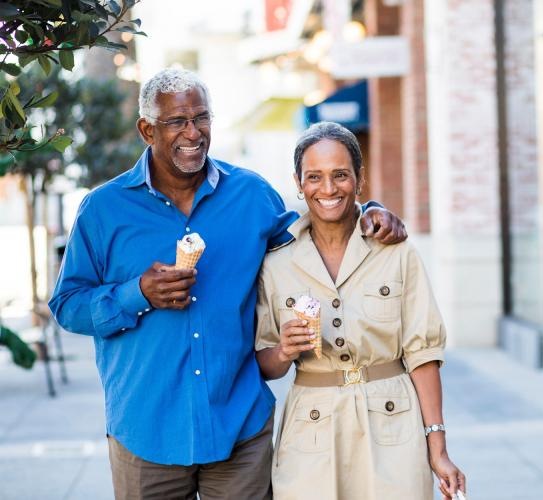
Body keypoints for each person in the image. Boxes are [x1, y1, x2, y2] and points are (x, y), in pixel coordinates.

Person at [48, 69, 406, 499]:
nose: (193, 133)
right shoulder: (103, 209)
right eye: (177, 122)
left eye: (201, 118)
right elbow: (68, 306)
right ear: (147, 129)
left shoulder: (251, 196)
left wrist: (369, 209)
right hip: (146, 431)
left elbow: (318, 234)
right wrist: (137, 293)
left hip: (239, 429)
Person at [255, 121, 466, 500]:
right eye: (314, 177)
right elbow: (266, 364)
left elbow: (423, 354)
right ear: (299, 183)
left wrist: (439, 449)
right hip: (310, 430)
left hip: (393, 423)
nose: (329, 188)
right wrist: (285, 349)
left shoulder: (397, 252)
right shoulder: (276, 264)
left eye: (340, 175)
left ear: (360, 178)